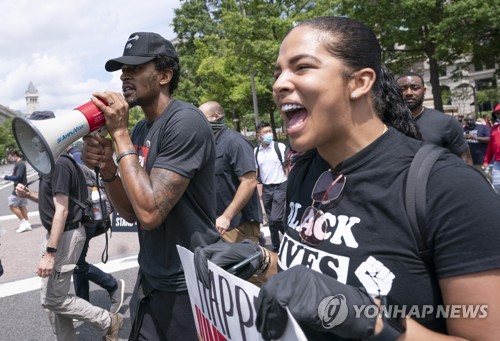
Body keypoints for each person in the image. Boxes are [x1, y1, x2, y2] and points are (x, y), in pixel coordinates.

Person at [194, 16, 500, 340]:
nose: (279, 84)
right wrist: (260, 260)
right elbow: (314, 278)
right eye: (277, 73)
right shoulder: (304, 172)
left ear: (359, 82)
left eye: (301, 68)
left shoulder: (450, 189)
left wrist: (373, 323)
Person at [81, 32, 220, 340]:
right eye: (122, 70)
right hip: (153, 275)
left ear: (164, 75)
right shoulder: (143, 127)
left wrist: (119, 135)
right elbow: (131, 212)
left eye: (134, 68)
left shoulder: (185, 121)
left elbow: (150, 214)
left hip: (188, 284)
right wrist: (107, 168)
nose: (123, 76)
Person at [15, 111, 123, 341]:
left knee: (53, 299)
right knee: (54, 299)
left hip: (64, 236)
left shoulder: (60, 164)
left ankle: (107, 320)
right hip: (59, 235)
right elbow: (55, 203)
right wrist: (30, 194)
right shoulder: (54, 163)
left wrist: (50, 253)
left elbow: (62, 211)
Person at [67, 146, 125, 314]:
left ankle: (112, 284)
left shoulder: (74, 158)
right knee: (78, 261)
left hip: (85, 220)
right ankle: (84, 304)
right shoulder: (75, 156)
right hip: (88, 218)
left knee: (76, 264)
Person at [199, 101, 262, 243]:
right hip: (217, 225)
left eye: (202, 118)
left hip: (237, 225)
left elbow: (249, 181)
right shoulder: (211, 144)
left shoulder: (235, 141)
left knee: (246, 264)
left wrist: (226, 217)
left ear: (216, 116)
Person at [396, 72, 473, 165]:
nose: (408, 93)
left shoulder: (446, 122)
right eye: (402, 89)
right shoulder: (386, 123)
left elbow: (464, 159)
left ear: (424, 91)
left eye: (415, 88)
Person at [254, 122, 287, 252]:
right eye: (265, 132)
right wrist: (259, 190)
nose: (269, 134)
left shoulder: (280, 147)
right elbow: (257, 173)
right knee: (271, 223)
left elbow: (287, 167)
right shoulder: (256, 151)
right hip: (267, 188)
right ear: (258, 136)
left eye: (270, 131)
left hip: (280, 186)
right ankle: (276, 247)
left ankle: (290, 236)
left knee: (276, 217)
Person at [4, 150, 31, 233]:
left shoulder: (20, 164)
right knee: (21, 206)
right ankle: (27, 223)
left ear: (14, 155)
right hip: (23, 187)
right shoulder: (19, 163)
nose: (10, 159)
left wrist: (6, 177)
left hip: (20, 188)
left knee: (11, 205)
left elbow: (18, 177)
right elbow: (15, 176)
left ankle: (24, 222)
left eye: (10, 157)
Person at [484, 105, 500, 194]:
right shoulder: (494, 129)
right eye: (498, 113)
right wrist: (486, 161)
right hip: (498, 163)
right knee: (497, 187)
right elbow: (490, 147)